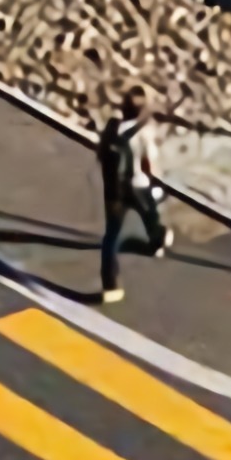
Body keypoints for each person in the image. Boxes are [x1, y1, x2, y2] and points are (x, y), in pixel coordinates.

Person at [95, 90, 169, 305]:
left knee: (111, 235)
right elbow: (149, 166)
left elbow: (100, 154)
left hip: (115, 190)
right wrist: (158, 183)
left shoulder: (112, 128)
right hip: (138, 187)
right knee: (151, 217)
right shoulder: (143, 133)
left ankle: (110, 285)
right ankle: (156, 242)